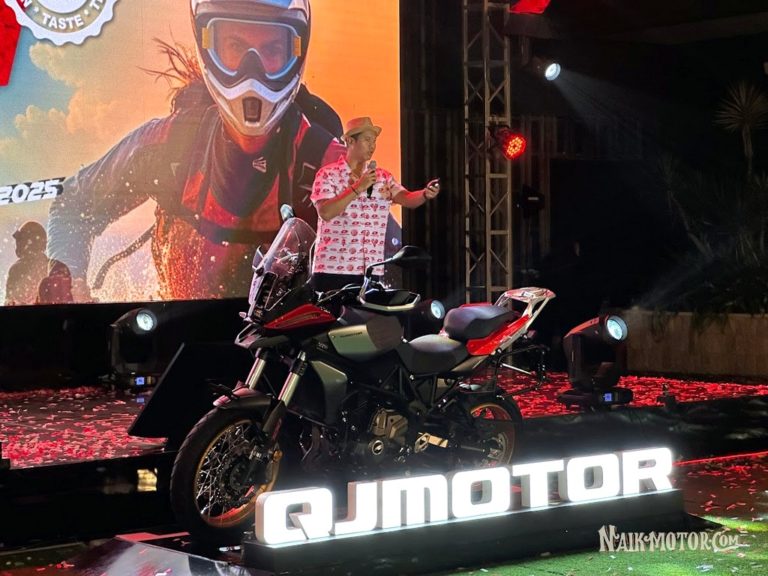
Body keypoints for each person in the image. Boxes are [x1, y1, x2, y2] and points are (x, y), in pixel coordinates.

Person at [46, 0, 345, 302]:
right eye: (235, 46)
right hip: (176, 325)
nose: (251, 75)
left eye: (271, 50)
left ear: (295, 54)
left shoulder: (329, 163)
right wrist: (68, 278)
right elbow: (73, 202)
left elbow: (375, 264)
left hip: (286, 331)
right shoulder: (168, 146)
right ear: (208, 47)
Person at [309, 117, 440, 292]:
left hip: (371, 270)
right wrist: (358, 187)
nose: (372, 146)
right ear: (350, 141)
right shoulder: (328, 174)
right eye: (367, 140)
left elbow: (407, 198)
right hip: (332, 269)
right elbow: (326, 212)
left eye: (374, 141)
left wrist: (424, 194)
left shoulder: (383, 177)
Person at [4, 221, 50, 305]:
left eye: (20, 240)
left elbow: (9, 305)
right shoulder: (52, 266)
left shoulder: (16, 270)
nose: (17, 244)